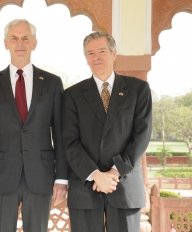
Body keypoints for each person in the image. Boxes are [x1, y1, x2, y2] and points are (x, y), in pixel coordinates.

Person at [0, 19, 68, 232]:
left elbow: (61, 134)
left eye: (25, 38)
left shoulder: (52, 83)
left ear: (34, 43)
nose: (20, 43)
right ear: (5, 43)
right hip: (0, 175)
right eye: (14, 38)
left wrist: (61, 178)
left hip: (41, 175)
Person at [61, 31, 152, 232]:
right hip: (85, 186)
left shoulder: (138, 90)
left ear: (114, 54)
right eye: (91, 53)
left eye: (102, 51)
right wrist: (95, 174)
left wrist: (113, 172)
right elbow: (69, 141)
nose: (97, 57)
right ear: (86, 59)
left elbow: (142, 136)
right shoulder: (72, 95)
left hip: (125, 185)